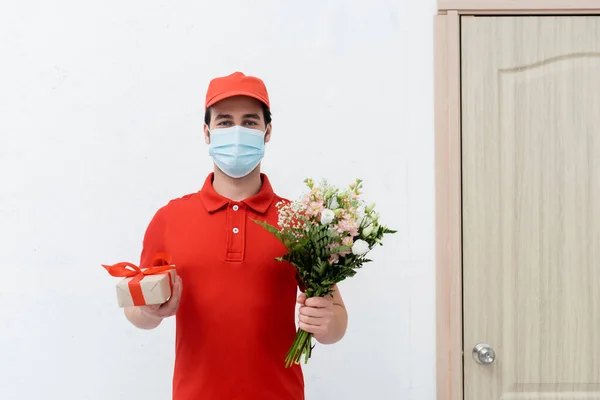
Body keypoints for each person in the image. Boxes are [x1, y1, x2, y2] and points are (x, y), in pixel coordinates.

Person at [123, 71, 348, 400]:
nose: (238, 132)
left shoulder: (301, 222)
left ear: (267, 132)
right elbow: (136, 311)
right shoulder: (169, 218)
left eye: (250, 122)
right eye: (225, 122)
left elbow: (336, 318)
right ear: (207, 132)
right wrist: (148, 311)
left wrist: (328, 324)